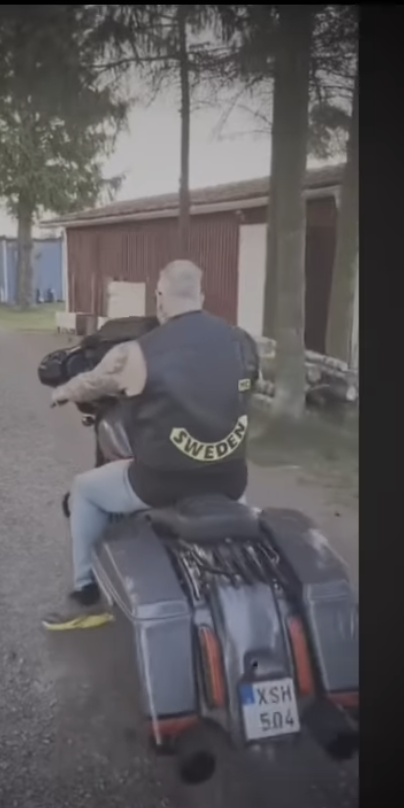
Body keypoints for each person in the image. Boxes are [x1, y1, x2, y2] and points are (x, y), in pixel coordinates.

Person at [42, 260, 260, 630]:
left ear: (159, 297)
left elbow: (91, 384)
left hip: (161, 484)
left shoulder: (136, 353)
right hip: (231, 481)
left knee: (84, 490)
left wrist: (62, 392)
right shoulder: (243, 342)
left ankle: (86, 596)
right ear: (201, 295)